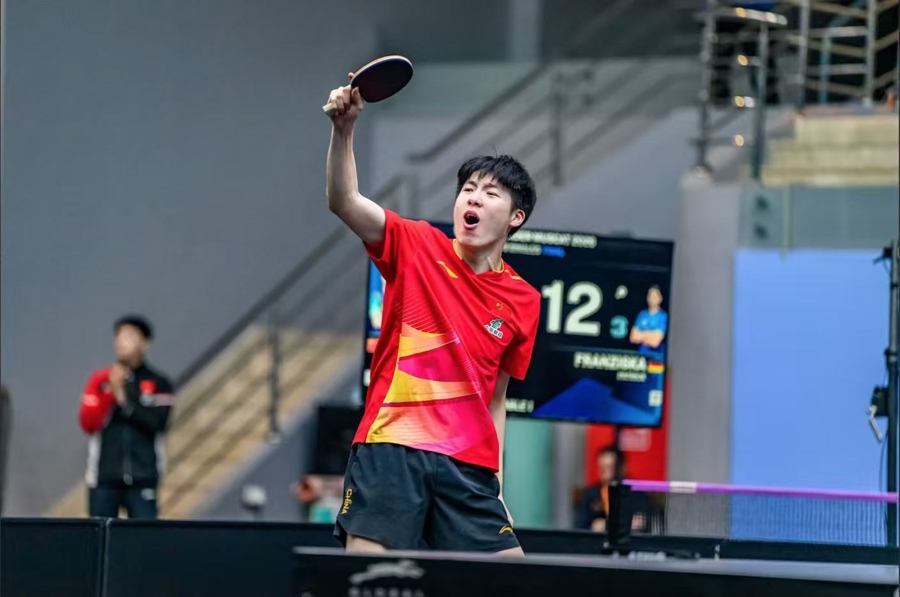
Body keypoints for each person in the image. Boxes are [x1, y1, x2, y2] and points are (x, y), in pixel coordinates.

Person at [324, 79, 541, 554]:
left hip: (468, 468)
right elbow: (344, 201)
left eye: (491, 193)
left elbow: (497, 400)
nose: (473, 198)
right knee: (369, 579)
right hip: (392, 448)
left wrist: (498, 487)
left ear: (516, 218)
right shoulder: (416, 244)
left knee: (516, 580)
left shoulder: (524, 299)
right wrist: (344, 131)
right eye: (468, 189)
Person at [79, 315, 175, 519]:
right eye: (119, 336)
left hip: (143, 475)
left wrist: (124, 400)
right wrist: (108, 394)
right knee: (99, 533)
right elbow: (88, 423)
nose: (122, 342)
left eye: (130, 336)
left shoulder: (158, 383)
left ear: (145, 343)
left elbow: (159, 423)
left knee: (144, 534)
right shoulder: (100, 381)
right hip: (105, 477)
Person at [574, 445, 648, 532]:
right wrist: (593, 527)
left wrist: (607, 525)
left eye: (610, 468)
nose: (607, 475)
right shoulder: (590, 494)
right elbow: (580, 526)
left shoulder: (636, 493)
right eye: (602, 468)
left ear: (622, 467)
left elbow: (641, 523)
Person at [629, 285, 668, 356]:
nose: (652, 299)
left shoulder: (663, 316)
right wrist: (651, 334)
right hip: (642, 356)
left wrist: (642, 335)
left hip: (656, 357)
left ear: (660, 298)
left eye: (655, 296)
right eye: (650, 296)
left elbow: (655, 342)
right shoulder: (642, 314)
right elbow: (633, 337)